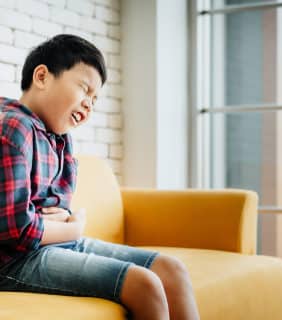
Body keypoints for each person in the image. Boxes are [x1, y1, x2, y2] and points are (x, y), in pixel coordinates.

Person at [0, 34, 200, 320]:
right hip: (11, 261)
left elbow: (58, 208)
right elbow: (17, 231)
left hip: (52, 245)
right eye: (84, 89)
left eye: (95, 99)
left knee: (171, 269)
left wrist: (54, 223)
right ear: (42, 76)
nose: (89, 105)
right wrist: (73, 228)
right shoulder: (13, 128)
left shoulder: (61, 138)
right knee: (144, 284)